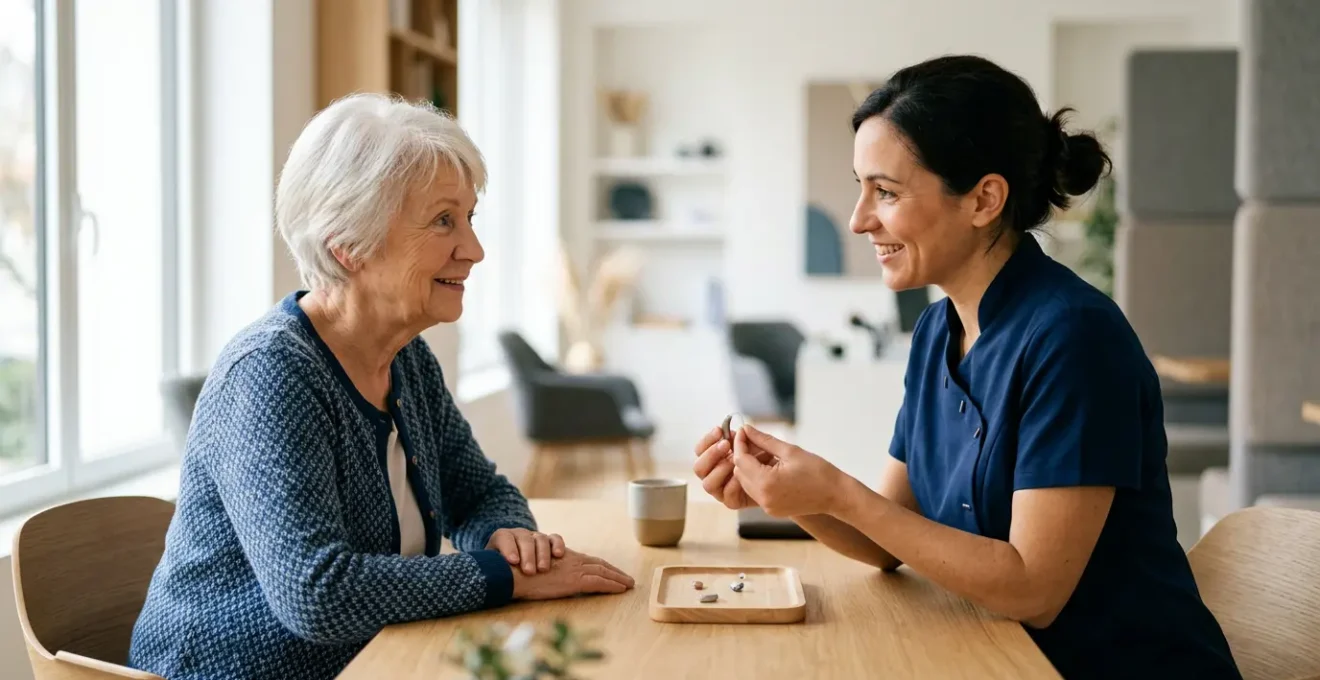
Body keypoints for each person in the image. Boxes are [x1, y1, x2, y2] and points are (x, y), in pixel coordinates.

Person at [693, 55, 1241, 679]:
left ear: (984, 199)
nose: (858, 219)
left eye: (887, 192)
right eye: (859, 187)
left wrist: (837, 492)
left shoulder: (1074, 337)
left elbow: (1035, 589)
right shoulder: (937, 331)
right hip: (992, 656)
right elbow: (885, 540)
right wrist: (792, 494)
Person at [129, 93, 634, 680]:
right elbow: (317, 593)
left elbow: (477, 492)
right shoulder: (270, 374)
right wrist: (503, 577)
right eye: (444, 220)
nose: (473, 250)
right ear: (349, 245)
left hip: (374, 661)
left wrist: (508, 536)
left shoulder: (407, 359)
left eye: (469, 218)